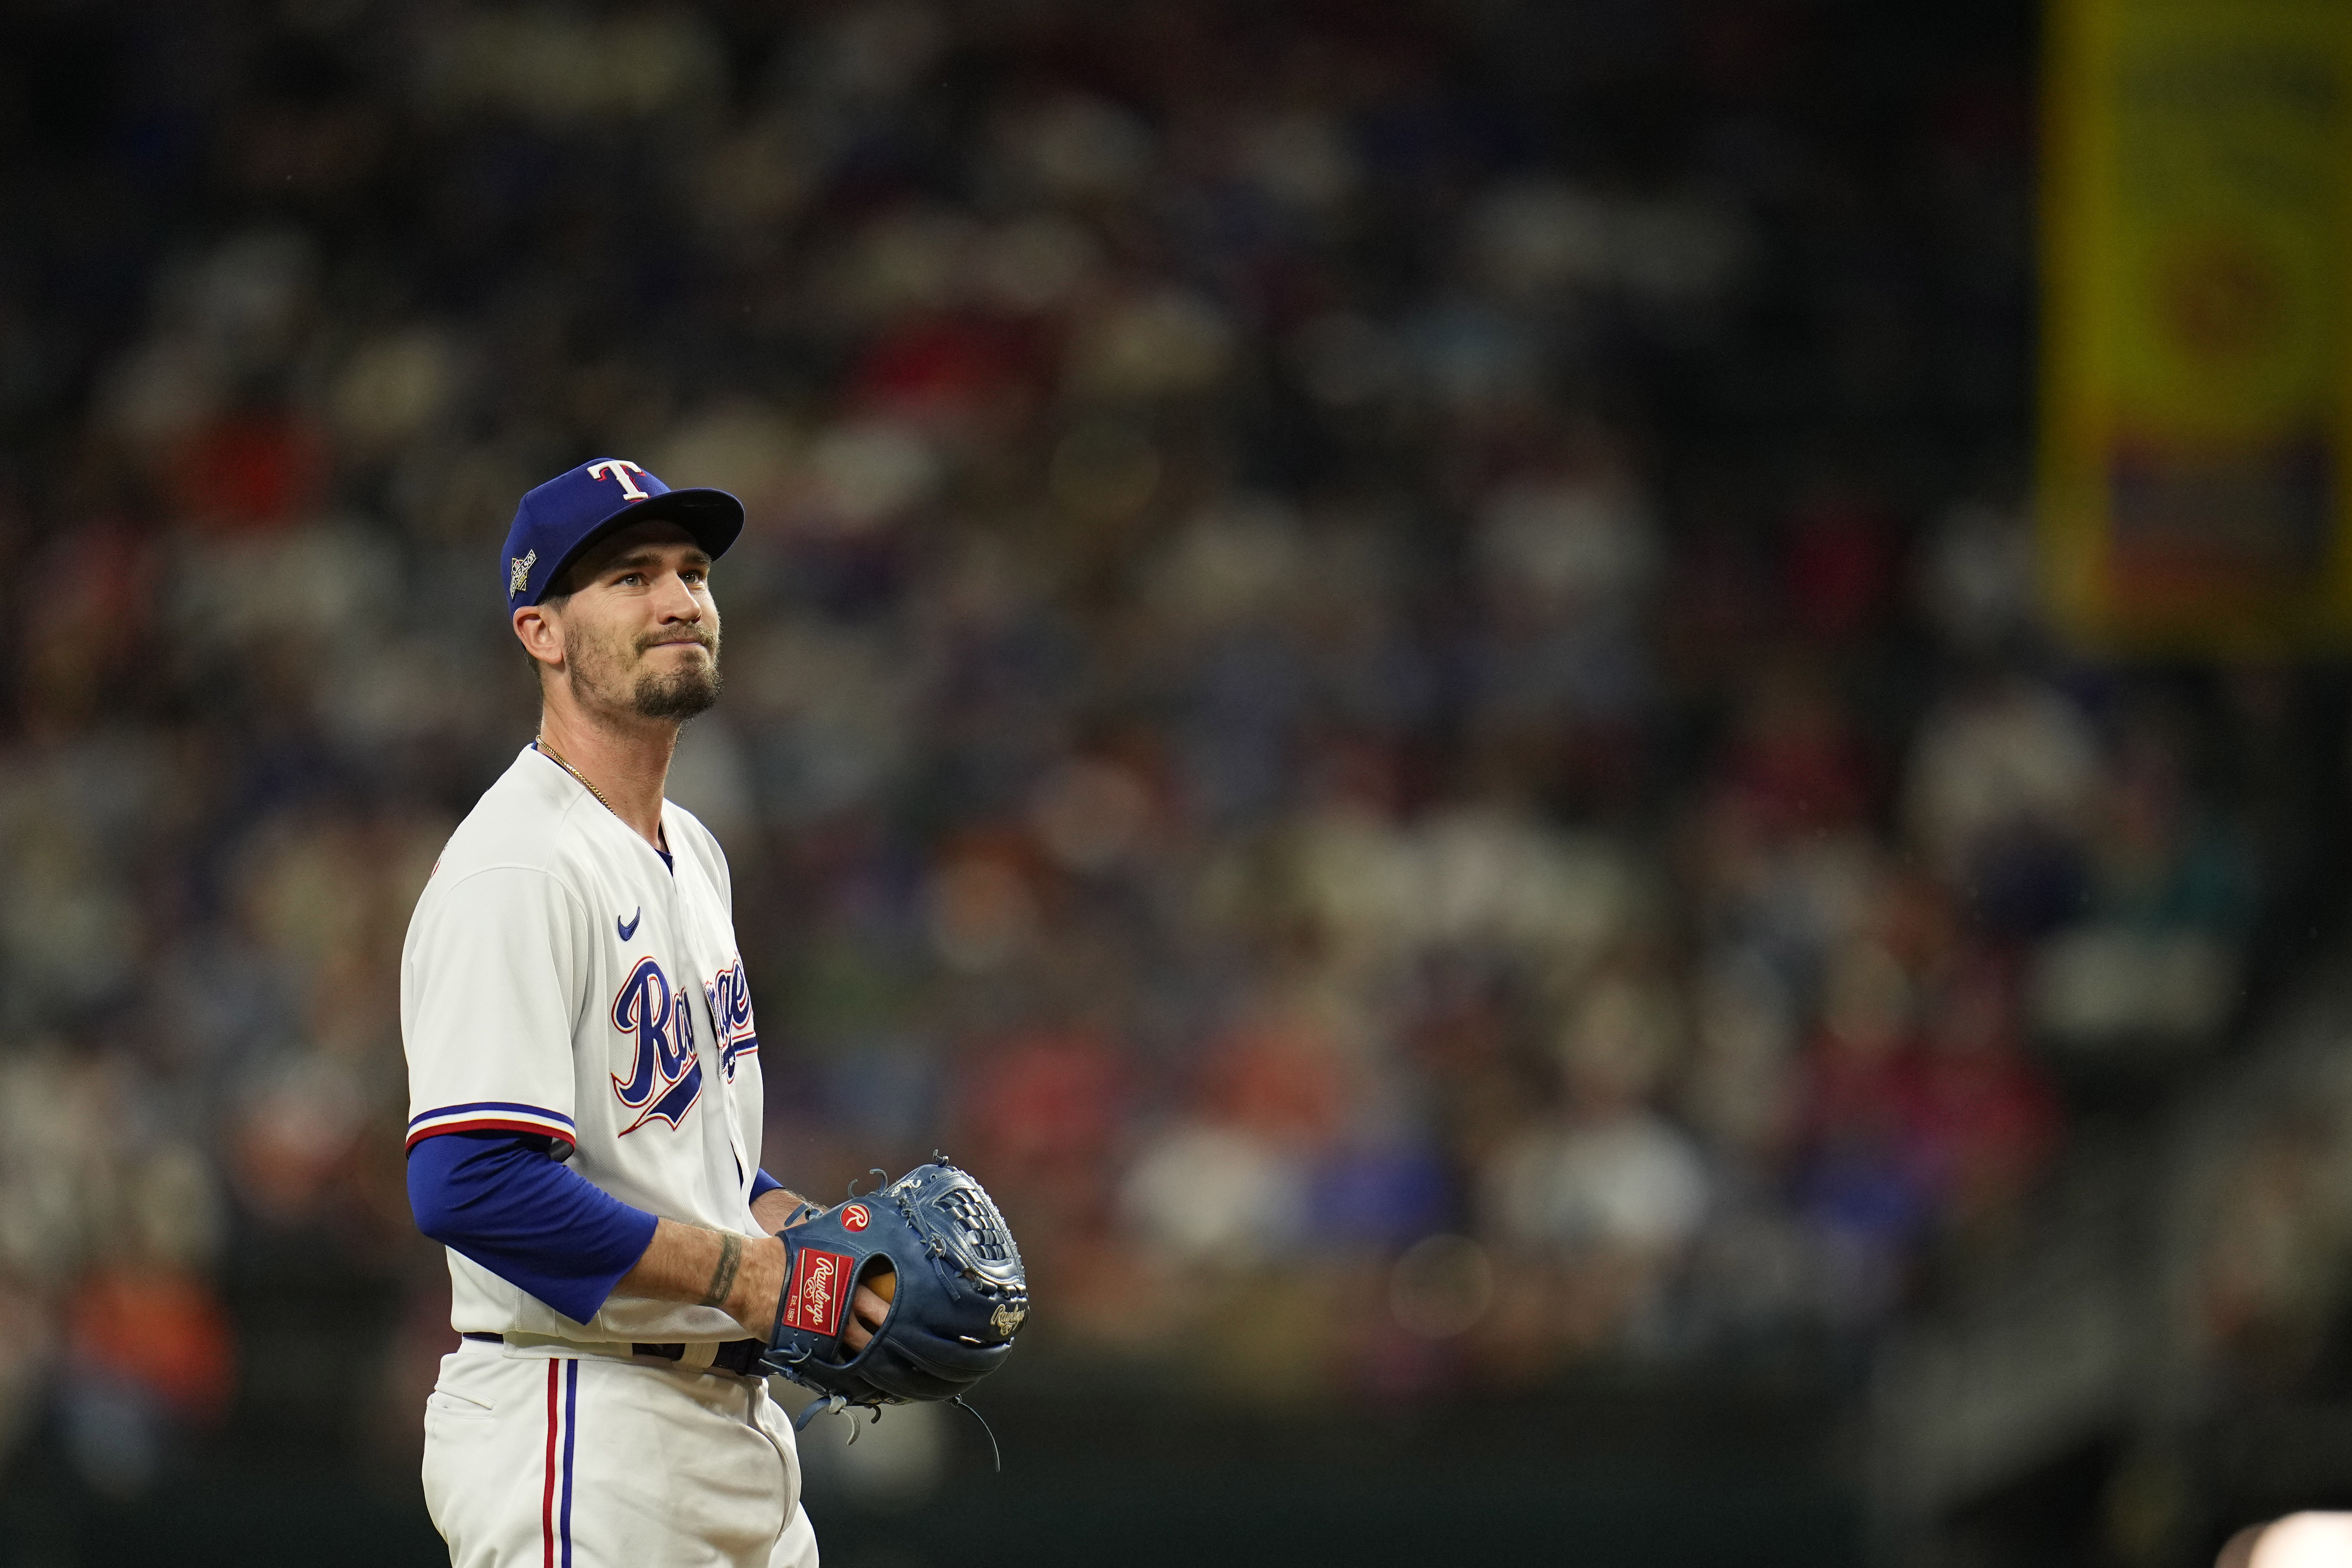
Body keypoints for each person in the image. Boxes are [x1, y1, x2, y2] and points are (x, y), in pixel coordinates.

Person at [401, 458, 886, 1568]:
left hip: (729, 1427)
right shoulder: (516, 866)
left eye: (694, 572)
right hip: (583, 1424)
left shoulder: (694, 853)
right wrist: (747, 1276)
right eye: (629, 577)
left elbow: (681, 1162)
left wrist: (800, 1238)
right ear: (542, 631)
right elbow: (471, 1182)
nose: (679, 601)